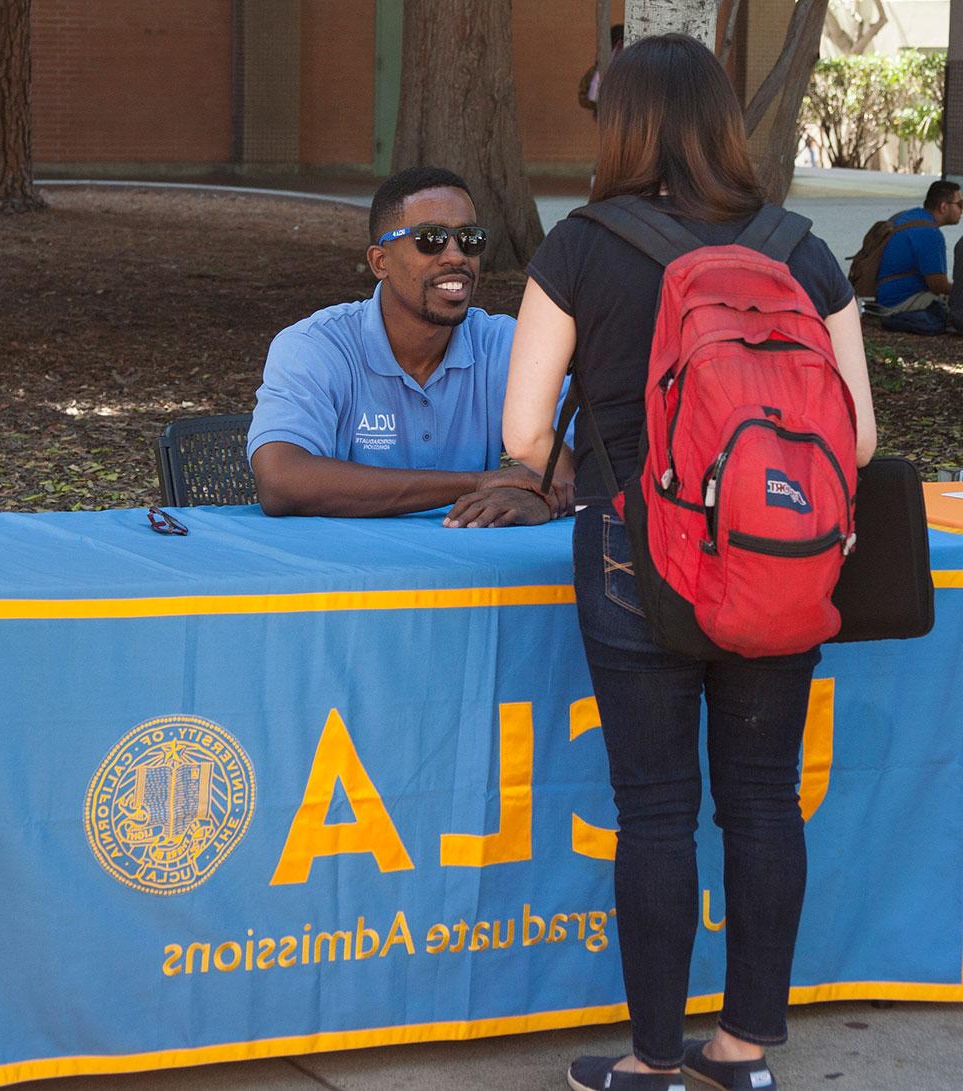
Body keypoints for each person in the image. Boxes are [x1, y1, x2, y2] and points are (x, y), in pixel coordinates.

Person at [503, 34, 876, 1091]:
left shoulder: (581, 245)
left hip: (635, 553)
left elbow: (525, 434)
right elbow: (854, 442)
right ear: (720, 119)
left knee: (653, 808)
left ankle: (651, 1058)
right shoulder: (799, 248)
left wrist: (613, 468)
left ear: (620, 125)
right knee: (762, 801)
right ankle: (746, 1051)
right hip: (779, 555)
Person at [248, 166, 571, 527]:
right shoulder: (316, 347)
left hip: (470, 574)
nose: (455, 256)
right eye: (430, 239)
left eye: (470, 239)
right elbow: (280, 480)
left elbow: (594, 461)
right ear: (380, 262)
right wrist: (475, 483)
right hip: (342, 573)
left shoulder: (503, 345)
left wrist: (546, 500)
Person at [875, 180, 961, 314]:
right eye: (960, 205)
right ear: (944, 207)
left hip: (883, 296)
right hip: (899, 302)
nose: (961, 210)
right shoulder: (929, 233)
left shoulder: (908, 217)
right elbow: (939, 286)